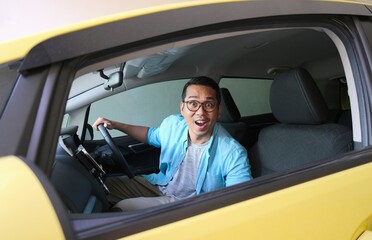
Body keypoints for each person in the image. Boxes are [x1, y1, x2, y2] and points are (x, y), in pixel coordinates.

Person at [93, 76, 252, 211]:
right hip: (160, 184)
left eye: (209, 105)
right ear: (182, 108)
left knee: (124, 207)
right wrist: (115, 125)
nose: (201, 112)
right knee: (101, 187)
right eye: (193, 103)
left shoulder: (233, 153)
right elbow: (150, 135)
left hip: (186, 204)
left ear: (218, 111)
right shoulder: (174, 125)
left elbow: (240, 202)